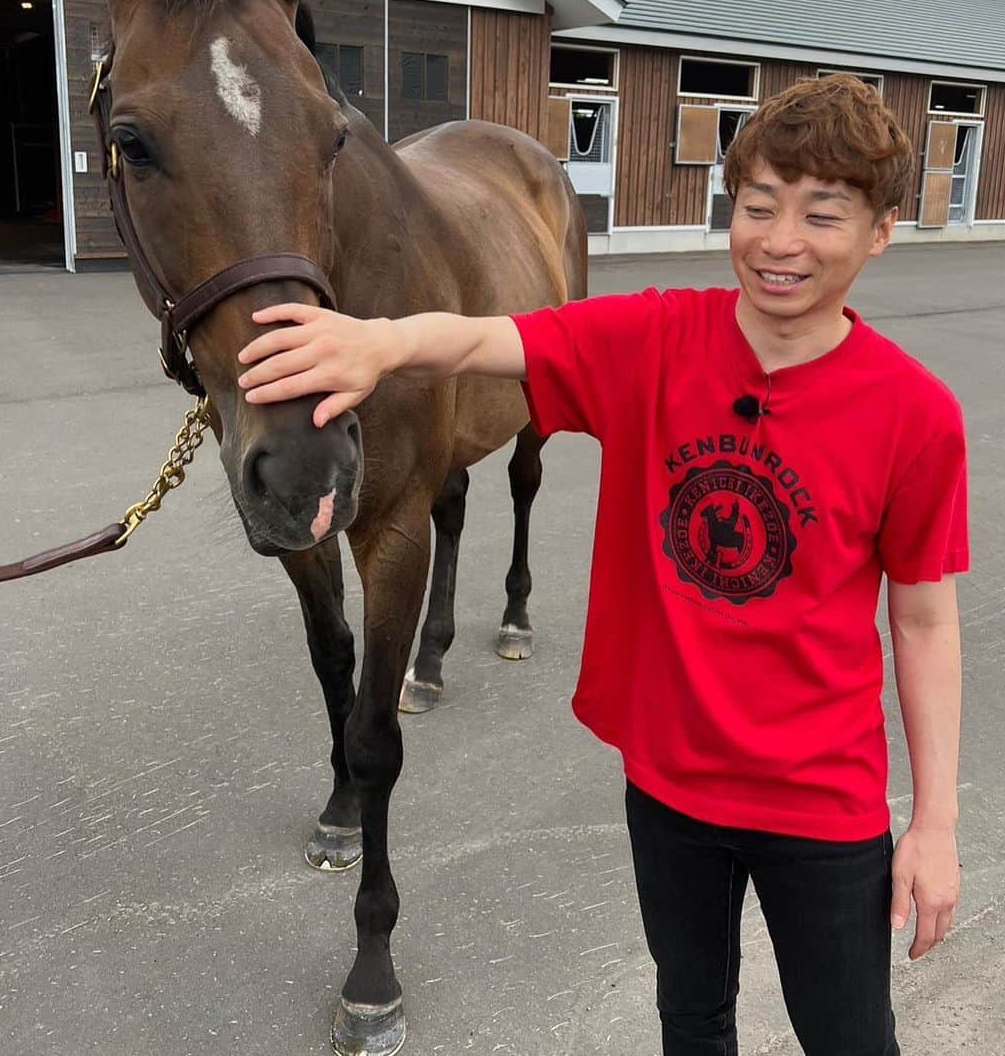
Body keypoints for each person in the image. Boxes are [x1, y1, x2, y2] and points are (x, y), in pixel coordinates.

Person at [235, 74, 967, 1056]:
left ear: (879, 231)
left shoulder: (914, 415)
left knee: (848, 1035)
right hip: (670, 787)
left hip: (822, 801)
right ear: (731, 207)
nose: (782, 241)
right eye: (760, 206)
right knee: (691, 1015)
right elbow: (492, 337)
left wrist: (935, 823)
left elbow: (924, 621)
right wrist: (381, 341)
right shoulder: (657, 339)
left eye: (822, 215)